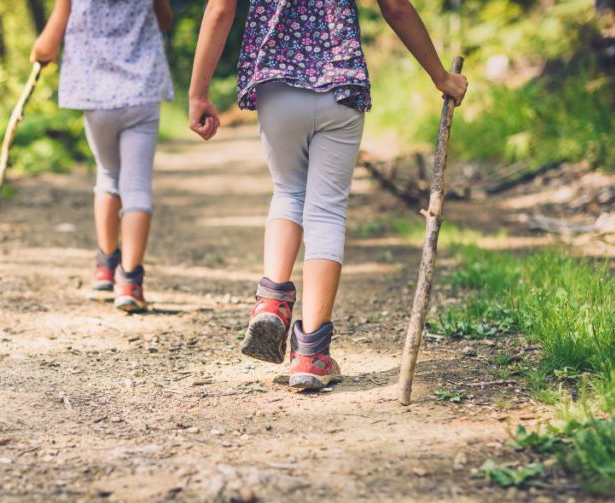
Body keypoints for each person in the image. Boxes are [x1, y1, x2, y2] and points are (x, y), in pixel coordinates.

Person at [188, 0, 468, 390]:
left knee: (287, 192)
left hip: (277, 87)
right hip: (341, 88)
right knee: (327, 212)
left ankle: (271, 301)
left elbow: (220, 10)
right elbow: (397, 8)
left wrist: (198, 93)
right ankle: (311, 353)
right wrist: (440, 76)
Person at [32, 0, 174, 312]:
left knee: (108, 176)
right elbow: (164, 20)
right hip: (141, 92)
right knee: (136, 186)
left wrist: (41, 52)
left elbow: (49, 40)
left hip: (96, 95)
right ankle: (130, 281)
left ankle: (105, 269)